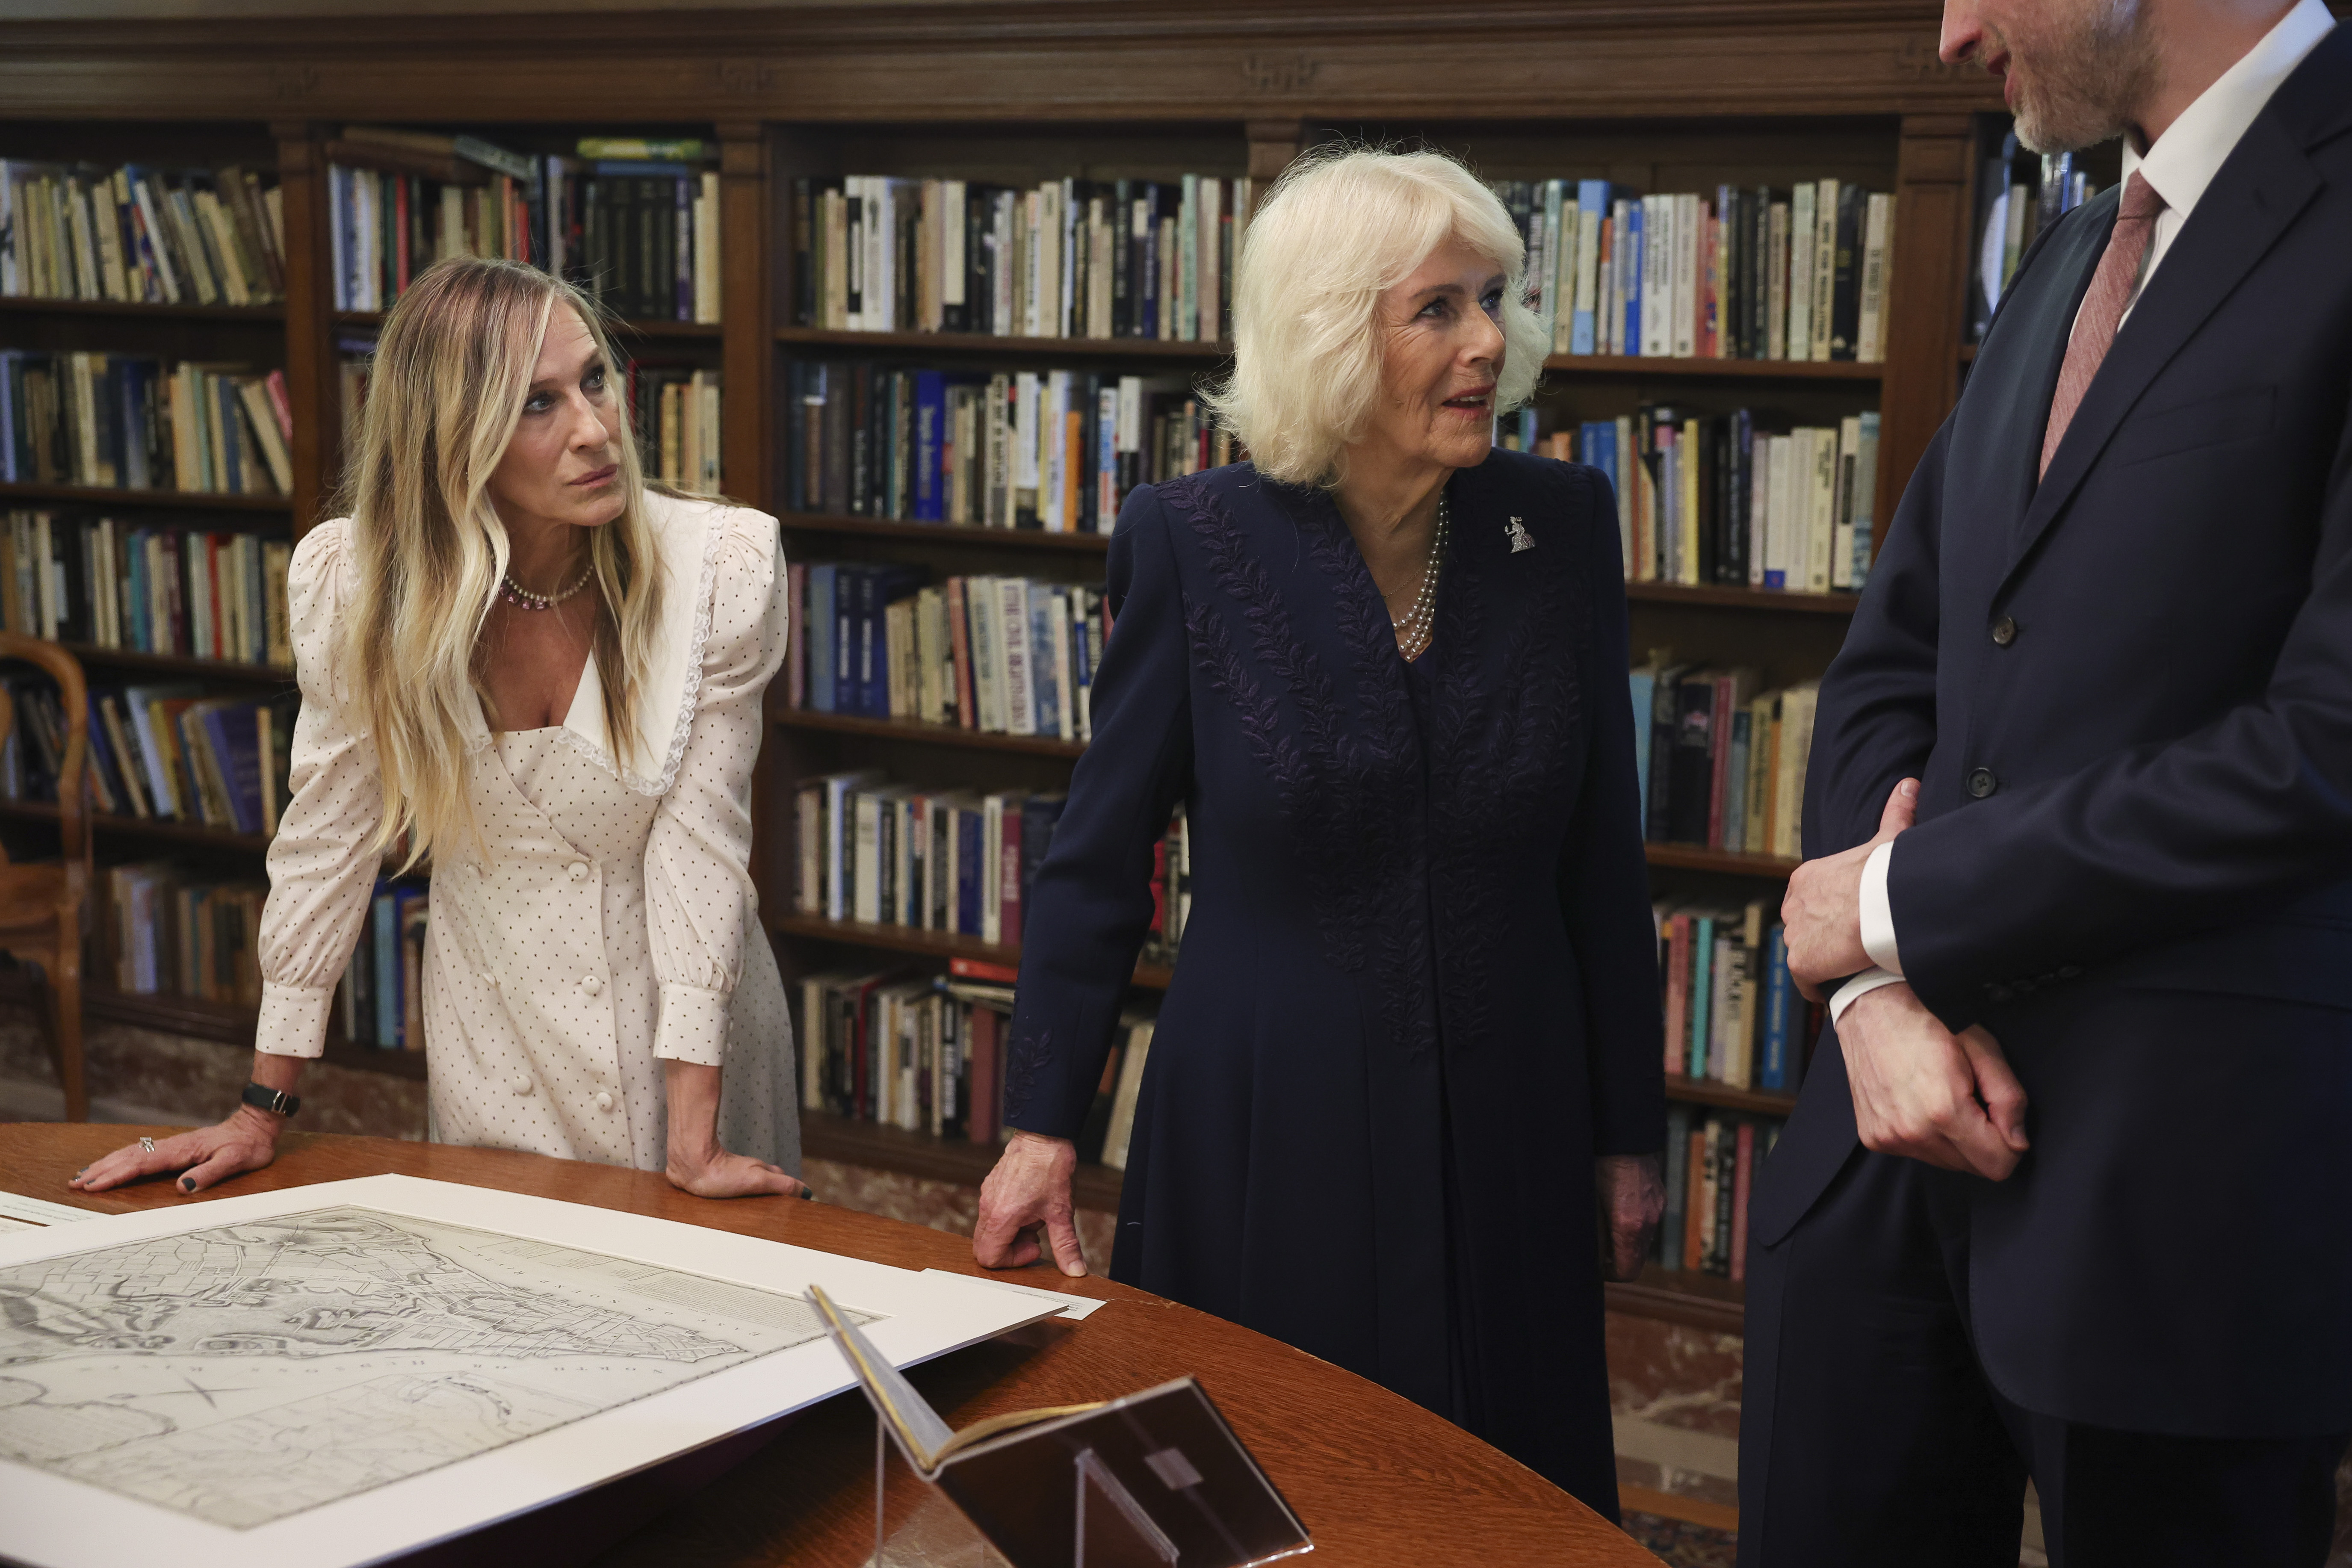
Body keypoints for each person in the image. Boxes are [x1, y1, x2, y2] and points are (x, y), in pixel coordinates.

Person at [967, 146, 1666, 1512]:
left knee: (1499, 1497)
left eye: (1494, 299)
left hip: (1513, 1111)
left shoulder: (1562, 525)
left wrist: (1624, 1130)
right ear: (1331, 337)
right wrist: (1041, 1126)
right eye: (1438, 310)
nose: (1489, 343)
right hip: (1263, 1119)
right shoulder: (1191, 539)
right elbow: (1098, 858)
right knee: (1261, 1490)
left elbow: (1602, 857)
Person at [1743, 2, 2352, 1563]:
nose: (1951, 35)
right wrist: (1870, 994)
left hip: (2183, 1212)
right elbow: (1896, 658)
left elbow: (2327, 744)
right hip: (1877, 1159)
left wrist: (1891, 903)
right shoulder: (2072, 253)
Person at [73, 257, 804, 1202]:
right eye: (537, 404)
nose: (595, 429)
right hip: (491, 1023)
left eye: (595, 379)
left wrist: (694, 1139)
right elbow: (326, 841)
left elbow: (700, 851)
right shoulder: (360, 589)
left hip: (691, 1023)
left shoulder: (715, 572)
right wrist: (261, 1109)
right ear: (452, 438)